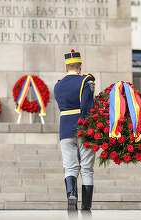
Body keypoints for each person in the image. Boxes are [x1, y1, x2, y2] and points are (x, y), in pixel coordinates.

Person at [54, 49, 96, 218]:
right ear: (80, 66)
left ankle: (71, 195)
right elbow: (87, 108)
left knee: (70, 167)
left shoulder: (58, 85)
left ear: (66, 68)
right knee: (86, 169)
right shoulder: (86, 81)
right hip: (83, 128)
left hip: (65, 129)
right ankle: (86, 208)